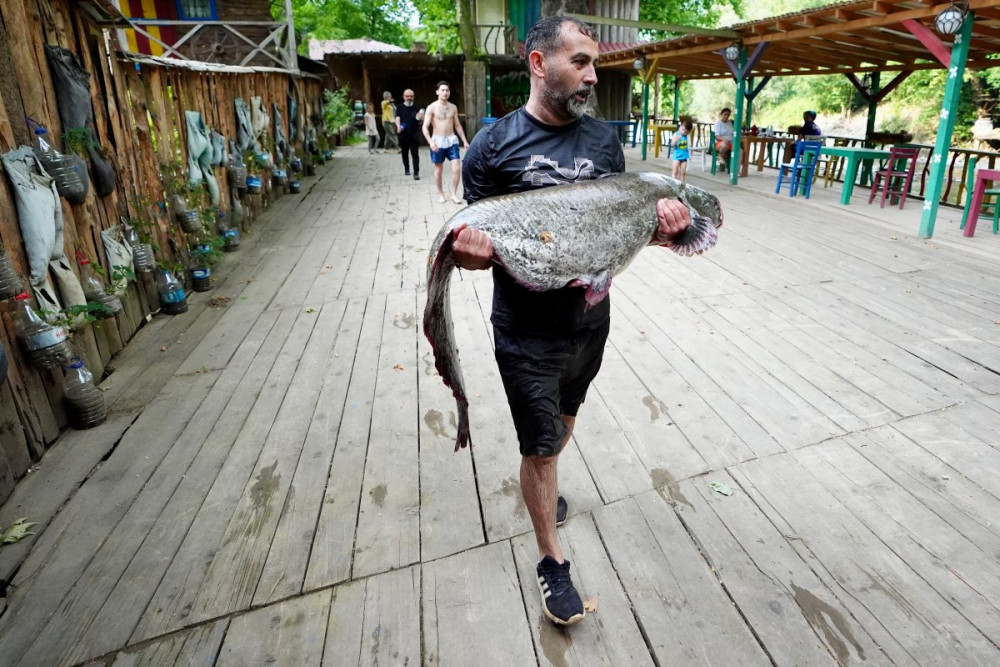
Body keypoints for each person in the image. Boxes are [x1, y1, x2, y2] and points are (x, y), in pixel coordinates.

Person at [455, 16, 691, 627]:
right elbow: (473, 242)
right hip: (524, 330)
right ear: (539, 63)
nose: (591, 75)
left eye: (593, 64)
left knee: (562, 424)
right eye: (580, 62)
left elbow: (615, 236)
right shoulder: (491, 148)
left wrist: (661, 233)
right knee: (539, 447)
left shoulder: (604, 145)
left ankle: (546, 474)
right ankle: (550, 562)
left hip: (591, 322)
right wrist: (469, 255)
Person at [422, 81, 469, 204]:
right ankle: (441, 194)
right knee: (438, 170)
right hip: (437, 141)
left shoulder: (453, 107)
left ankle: (453, 193)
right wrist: (430, 142)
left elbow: (457, 125)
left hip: (452, 140)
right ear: (437, 92)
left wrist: (464, 140)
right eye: (442, 90)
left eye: (447, 90)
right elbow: (425, 127)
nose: (445, 92)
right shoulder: (431, 107)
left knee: (457, 169)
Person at [395, 89, 424, 180]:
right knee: (404, 153)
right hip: (403, 134)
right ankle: (407, 168)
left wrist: (421, 119)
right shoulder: (399, 107)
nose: (409, 98)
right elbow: (397, 118)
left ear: (413, 97)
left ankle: (416, 172)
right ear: (404, 97)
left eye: (411, 96)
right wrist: (398, 127)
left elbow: (420, 120)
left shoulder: (417, 107)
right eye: (407, 96)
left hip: (414, 134)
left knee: (415, 153)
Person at [713, 108, 734, 173]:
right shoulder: (718, 123)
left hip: (730, 143)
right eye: (725, 114)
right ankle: (721, 156)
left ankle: (735, 169)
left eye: (728, 115)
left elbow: (733, 133)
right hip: (720, 143)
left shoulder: (729, 123)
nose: (726, 116)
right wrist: (725, 139)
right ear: (721, 114)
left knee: (740, 149)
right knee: (725, 143)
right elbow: (717, 136)